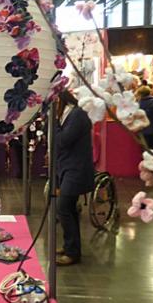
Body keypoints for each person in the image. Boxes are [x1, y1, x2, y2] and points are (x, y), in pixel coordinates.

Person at [55, 89, 94, 266]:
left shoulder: (77, 115)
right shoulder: (67, 115)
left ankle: (72, 252)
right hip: (67, 167)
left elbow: (64, 140)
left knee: (64, 207)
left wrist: (54, 125)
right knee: (68, 209)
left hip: (76, 168)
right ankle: (70, 246)